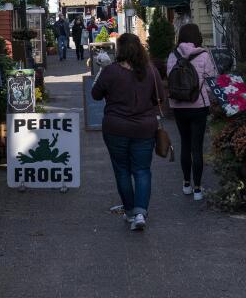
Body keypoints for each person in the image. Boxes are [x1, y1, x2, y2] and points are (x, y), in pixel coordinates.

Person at [91, 32, 165, 231]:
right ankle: (141, 213)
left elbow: (95, 95)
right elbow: (161, 97)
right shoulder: (150, 70)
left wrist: (102, 72)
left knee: (122, 170)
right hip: (144, 127)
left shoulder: (111, 71)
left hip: (116, 127)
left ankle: (130, 211)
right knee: (142, 170)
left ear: (119, 50)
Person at [165, 24, 218, 201]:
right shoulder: (203, 55)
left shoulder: (173, 55)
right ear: (197, 36)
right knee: (197, 147)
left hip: (178, 106)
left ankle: (186, 183)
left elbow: (169, 79)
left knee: (185, 145)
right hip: (198, 107)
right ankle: (197, 189)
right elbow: (210, 81)